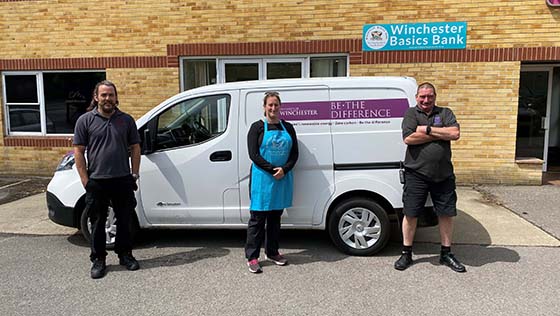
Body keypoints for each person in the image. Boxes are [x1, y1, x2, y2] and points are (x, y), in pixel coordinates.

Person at [394, 82, 466, 273]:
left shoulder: (445, 112)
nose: (426, 100)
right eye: (422, 96)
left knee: (446, 213)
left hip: (444, 175)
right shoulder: (411, 114)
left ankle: (446, 253)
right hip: (416, 174)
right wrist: (440, 133)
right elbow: (408, 138)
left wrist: (425, 130)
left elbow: (455, 133)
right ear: (417, 97)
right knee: (410, 213)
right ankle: (406, 253)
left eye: (430, 96)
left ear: (435, 96)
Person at [74, 80, 142, 279]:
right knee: (97, 222)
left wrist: (134, 173)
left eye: (111, 95)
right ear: (96, 97)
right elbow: (78, 150)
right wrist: (86, 180)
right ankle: (98, 260)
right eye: (103, 95)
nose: (107, 99)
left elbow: (135, 148)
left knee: (124, 220)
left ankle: (125, 255)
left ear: (115, 97)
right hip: (97, 180)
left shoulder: (126, 120)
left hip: (122, 179)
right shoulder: (85, 121)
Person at [245, 91, 299, 273]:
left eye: (276, 105)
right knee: (257, 220)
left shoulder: (288, 127)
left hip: (282, 178)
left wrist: (284, 169)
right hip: (262, 179)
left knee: (275, 219)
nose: (273, 108)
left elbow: (294, 154)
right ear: (264, 107)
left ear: (280, 107)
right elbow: (253, 155)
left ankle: (272, 252)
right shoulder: (257, 128)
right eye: (270, 105)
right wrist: (272, 169)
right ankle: (252, 257)